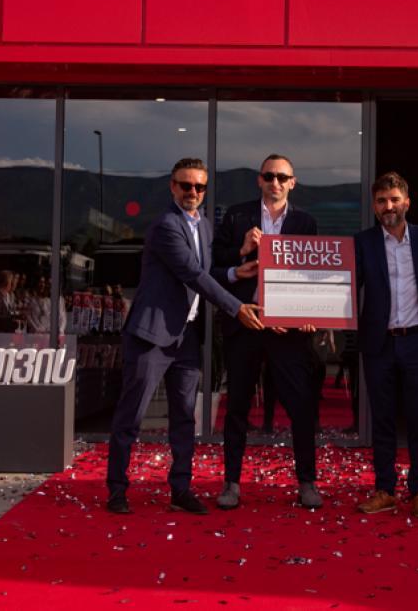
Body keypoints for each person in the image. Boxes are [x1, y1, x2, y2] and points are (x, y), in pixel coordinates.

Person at [106, 158, 264, 516]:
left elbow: (206, 272)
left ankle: (180, 489)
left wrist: (235, 270)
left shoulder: (204, 226)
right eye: (185, 185)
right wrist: (236, 308)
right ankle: (116, 490)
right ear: (172, 186)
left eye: (199, 186)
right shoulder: (166, 225)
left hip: (187, 336)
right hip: (152, 335)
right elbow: (192, 274)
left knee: (184, 418)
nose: (192, 191)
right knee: (131, 416)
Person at [212, 154, 324, 510]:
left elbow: (312, 275)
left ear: (293, 182)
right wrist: (241, 251)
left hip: (286, 332)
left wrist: (308, 314)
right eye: (269, 176)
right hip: (245, 323)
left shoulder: (305, 222)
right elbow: (213, 268)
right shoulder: (236, 216)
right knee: (237, 408)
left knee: (301, 407)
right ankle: (231, 483)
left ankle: (307, 482)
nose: (275, 182)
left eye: (282, 177)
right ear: (259, 180)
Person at [354, 172, 418, 520]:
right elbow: (350, 284)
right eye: (382, 201)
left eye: (394, 199)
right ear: (374, 206)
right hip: (379, 342)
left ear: (406, 202)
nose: (388, 206)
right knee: (382, 419)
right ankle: (385, 490)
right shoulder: (363, 242)